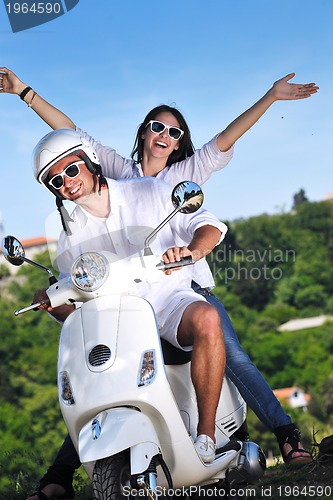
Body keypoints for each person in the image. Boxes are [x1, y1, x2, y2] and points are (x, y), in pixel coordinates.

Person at [0, 69, 317, 499]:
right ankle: (59, 476)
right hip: (122, 307)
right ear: (144, 133)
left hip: (176, 288)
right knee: (98, 372)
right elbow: (69, 136)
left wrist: (189, 251)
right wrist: (53, 297)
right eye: (56, 180)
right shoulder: (82, 213)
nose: (67, 180)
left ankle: (247, 434)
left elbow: (208, 211)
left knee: (228, 347)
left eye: (174, 130)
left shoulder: (162, 187)